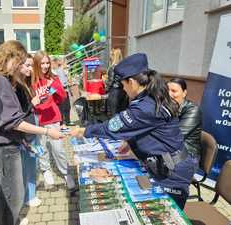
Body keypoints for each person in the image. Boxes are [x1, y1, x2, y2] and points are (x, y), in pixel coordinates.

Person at [71, 53, 196, 209]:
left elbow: (111, 127)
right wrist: (130, 142)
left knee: (164, 211)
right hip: (165, 164)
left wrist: (83, 131)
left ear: (131, 82)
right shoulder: (151, 96)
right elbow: (144, 128)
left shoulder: (145, 106)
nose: (123, 89)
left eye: (123, 85)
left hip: (172, 173)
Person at [0, 41, 63, 225]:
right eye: (21, 62)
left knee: (3, 195)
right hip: (3, 149)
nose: (23, 67)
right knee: (11, 197)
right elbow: (12, 121)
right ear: (10, 58)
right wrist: (47, 131)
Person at [31, 51, 75, 190]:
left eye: (47, 63)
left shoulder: (54, 78)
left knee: (58, 149)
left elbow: (61, 97)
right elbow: (33, 101)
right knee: (42, 148)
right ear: (36, 64)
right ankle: (46, 171)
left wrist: (53, 87)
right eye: (42, 63)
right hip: (38, 120)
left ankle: (66, 173)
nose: (45, 66)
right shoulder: (31, 80)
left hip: (53, 118)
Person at [17, 54, 42, 207]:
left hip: (31, 129)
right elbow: (17, 114)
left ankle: (30, 194)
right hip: (24, 133)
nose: (31, 69)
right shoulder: (16, 86)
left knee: (32, 163)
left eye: (31, 66)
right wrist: (32, 103)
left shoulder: (25, 83)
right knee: (28, 165)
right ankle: (28, 197)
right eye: (27, 65)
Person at [167, 78, 202, 169]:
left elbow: (176, 136)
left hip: (187, 155)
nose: (169, 94)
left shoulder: (193, 110)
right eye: (167, 90)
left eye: (174, 91)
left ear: (184, 93)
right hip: (170, 151)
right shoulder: (168, 107)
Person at [51, 57, 73, 127]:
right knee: (61, 107)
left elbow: (68, 79)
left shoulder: (63, 70)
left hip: (65, 90)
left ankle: (68, 121)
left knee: (67, 106)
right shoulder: (54, 71)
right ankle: (61, 122)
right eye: (57, 62)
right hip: (59, 91)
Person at [106, 48, 129, 116]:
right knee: (122, 114)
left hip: (114, 92)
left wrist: (105, 83)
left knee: (114, 114)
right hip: (124, 91)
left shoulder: (113, 67)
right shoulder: (124, 66)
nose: (110, 57)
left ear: (113, 56)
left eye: (111, 55)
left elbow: (110, 82)